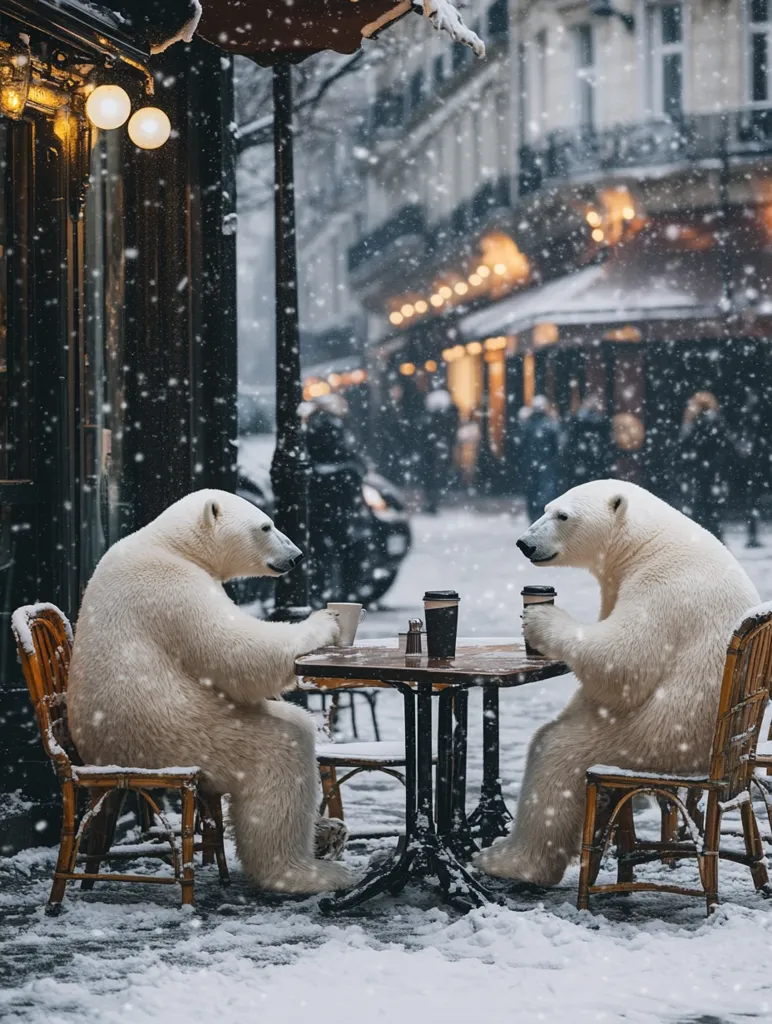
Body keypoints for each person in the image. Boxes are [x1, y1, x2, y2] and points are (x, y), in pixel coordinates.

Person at [304, 394, 368, 604]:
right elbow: (350, 458)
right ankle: (345, 597)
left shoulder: (314, 427)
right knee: (348, 550)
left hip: (321, 505)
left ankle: (322, 595)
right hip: (337, 504)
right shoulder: (333, 427)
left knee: (321, 553)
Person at [677, 391, 731, 541]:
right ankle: (712, 538)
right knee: (709, 508)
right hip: (708, 471)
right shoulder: (712, 421)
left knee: (702, 507)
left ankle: (706, 538)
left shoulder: (697, 422)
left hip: (702, 470)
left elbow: (686, 445)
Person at [518, 395, 561, 522]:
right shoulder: (550, 425)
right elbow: (557, 446)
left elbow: (520, 445)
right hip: (545, 464)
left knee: (533, 492)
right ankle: (542, 517)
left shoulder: (528, 425)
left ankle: (534, 517)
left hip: (532, 464)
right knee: (545, 492)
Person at [422, 386, 459, 514]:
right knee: (435, 476)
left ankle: (432, 502)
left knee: (432, 477)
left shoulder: (433, 417)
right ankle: (433, 501)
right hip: (437, 450)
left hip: (434, 451)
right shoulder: (447, 415)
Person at [562, 394, 610, 487]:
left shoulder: (577, 423)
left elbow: (569, 445)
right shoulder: (601, 425)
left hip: (580, 465)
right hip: (594, 466)